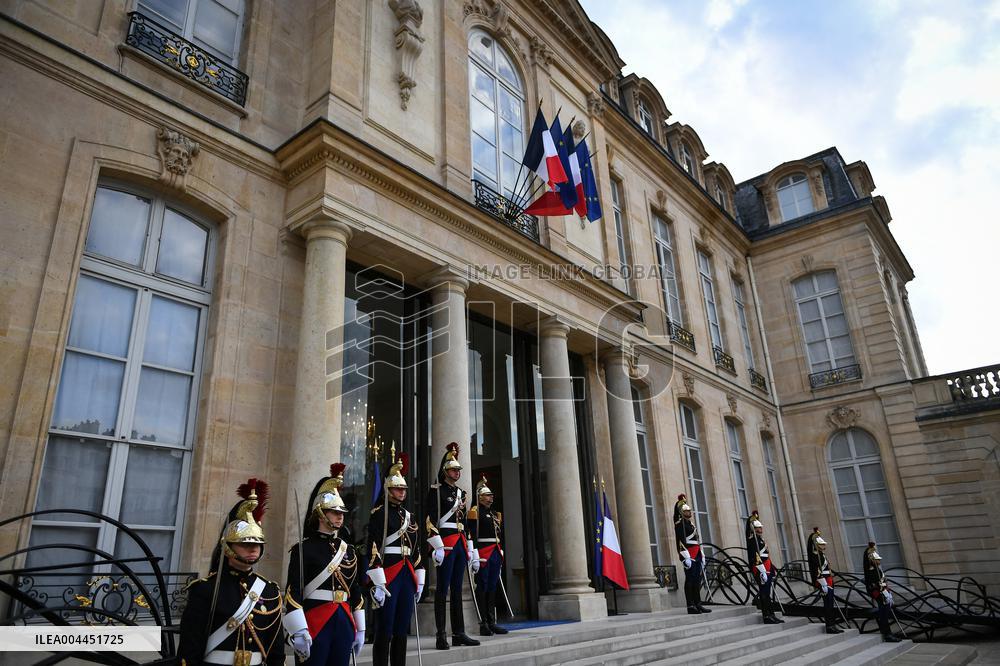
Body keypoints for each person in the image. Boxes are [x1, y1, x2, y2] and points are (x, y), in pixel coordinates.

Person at [178, 478, 285, 666]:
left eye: (257, 545)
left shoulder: (270, 590)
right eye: (245, 544)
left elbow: (275, 650)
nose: (253, 549)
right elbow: (190, 650)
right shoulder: (205, 589)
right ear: (227, 548)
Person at [284, 463, 366, 666]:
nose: (340, 516)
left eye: (342, 512)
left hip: (344, 619)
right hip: (315, 621)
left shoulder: (347, 549)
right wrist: (299, 629)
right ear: (320, 514)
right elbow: (293, 592)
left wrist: (361, 627)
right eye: (334, 512)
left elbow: (354, 589)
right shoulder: (303, 549)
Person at [367, 450, 425, 666]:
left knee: (402, 627)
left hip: (406, 574)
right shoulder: (379, 513)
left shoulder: (408, 516)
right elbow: (372, 546)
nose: (402, 492)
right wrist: (378, 580)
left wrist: (420, 578)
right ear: (388, 489)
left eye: (403, 489)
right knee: (385, 627)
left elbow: (416, 547)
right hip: (388, 574)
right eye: (397, 489)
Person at [424, 442, 480, 649]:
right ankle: (441, 634)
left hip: (459, 542)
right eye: (454, 469)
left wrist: (471, 548)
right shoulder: (436, 491)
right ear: (445, 470)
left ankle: (459, 632)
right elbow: (429, 519)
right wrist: (436, 545)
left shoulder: (462, 493)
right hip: (445, 543)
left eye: (458, 470)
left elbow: (464, 522)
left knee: (457, 588)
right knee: (442, 589)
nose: (457, 472)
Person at [468, 474, 509, 635]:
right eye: (487, 495)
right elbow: (471, 533)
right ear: (479, 496)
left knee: (493, 586)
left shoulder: (494, 514)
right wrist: (475, 553)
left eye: (491, 495)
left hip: (495, 551)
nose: (490, 497)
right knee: (483, 586)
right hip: (483, 551)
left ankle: (492, 621)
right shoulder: (474, 512)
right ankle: (483, 622)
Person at [673, 494, 709, 614]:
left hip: (696, 552)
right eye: (687, 510)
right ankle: (690, 605)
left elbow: (696, 540)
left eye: (689, 510)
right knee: (690, 580)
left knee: (697, 580)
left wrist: (701, 553)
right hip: (689, 554)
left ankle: (698, 603)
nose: (689, 512)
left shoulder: (690, 524)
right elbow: (680, 540)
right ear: (682, 512)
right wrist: (684, 555)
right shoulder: (680, 524)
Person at [746, 511, 783, 625]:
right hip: (760, 568)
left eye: (761, 527)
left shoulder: (760, 539)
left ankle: (771, 614)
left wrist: (771, 568)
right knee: (764, 592)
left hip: (766, 567)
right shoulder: (753, 540)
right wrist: (761, 569)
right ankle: (766, 615)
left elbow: (766, 554)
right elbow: (755, 555)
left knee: (768, 592)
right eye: (758, 527)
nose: (761, 529)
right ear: (754, 528)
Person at [806, 527, 843, 634]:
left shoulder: (821, 555)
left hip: (828, 580)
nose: (823, 545)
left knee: (830, 604)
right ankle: (829, 626)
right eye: (821, 544)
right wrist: (822, 583)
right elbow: (817, 570)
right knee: (827, 605)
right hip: (824, 581)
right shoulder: (815, 556)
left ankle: (832, 624)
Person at [863, 542, 901, 642]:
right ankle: (886, 633)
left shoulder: (877, 570)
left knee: (886, 612)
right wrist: (883, 593)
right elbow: (873, 586)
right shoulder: (871, 571)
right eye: (877, 559)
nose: (878, 561)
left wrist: (888, 593)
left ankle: (887, 632)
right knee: (883, 614)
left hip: (884, 592)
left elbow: (883, 582)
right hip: (879, 593)